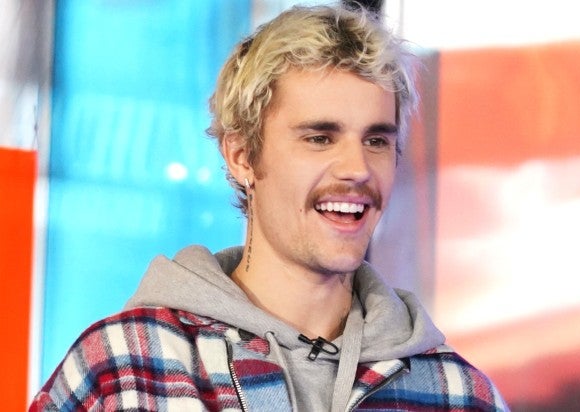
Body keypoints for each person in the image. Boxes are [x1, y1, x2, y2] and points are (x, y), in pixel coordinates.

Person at [31, 4, 508, 411]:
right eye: (320, 137)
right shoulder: (125, 370)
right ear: (242, 156)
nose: (357, 168)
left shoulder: (458, 394)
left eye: (376, 140)